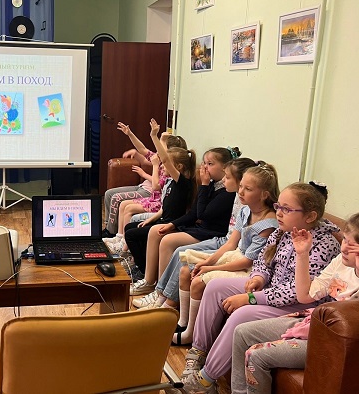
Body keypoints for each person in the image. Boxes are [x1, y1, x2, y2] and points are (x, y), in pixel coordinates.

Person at [181, 182, 341, 394]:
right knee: (215, 286)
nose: (279, 213)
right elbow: (263, 262)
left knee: (242, 315)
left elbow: (297, 292)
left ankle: (205, 381)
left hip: (298, 306)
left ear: (310, 216)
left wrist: (251, 298)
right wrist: (258, 277)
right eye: (278, 206)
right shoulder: (282, 231)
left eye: (286, 209)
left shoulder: (325, 245)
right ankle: (198, 351)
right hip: (272, 290)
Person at [230, 212, 359, 394]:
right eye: (344, 240)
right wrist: (302, 254)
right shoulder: (340, 262)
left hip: (331, 343)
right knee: (242, 333)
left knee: (256, 355)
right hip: (313, 323)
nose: (344, 248)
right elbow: (305, 296)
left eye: (353, 246)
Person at [172, 163, 279, 345]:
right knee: (185, 271)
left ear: (264, 195)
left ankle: (191, 333)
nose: (241, 192)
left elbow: (247, 261)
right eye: (241, 186)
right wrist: (208, 262)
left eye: (248, 189)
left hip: (249, 269)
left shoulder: (268, 224)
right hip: (235, 256)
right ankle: (183, 323)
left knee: (197, 281)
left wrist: (211, 268)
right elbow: (230, 244)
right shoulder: (245, 210)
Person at [132, 158, 257, 310]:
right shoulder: (233, 196)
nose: (224, 179)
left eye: (227, 176)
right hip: (215, 236)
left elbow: (203, 215)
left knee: (177, 250)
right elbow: (195, 213)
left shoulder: (229, 195)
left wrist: (204, 185)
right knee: (173, 247)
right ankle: (158, 292)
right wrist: (173, 224)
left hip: (215, 236)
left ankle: (165, 302)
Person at [116, 122, 196, 279]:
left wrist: (154, 136)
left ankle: (143, 270)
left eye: (166, 165)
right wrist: (150, 220)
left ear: (179, 167)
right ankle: (141, 265)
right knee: (131, 227)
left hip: (171, 224)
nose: (163, 167)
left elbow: (164, 161)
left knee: (132, 234)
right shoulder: (172, 181)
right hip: (162, 218)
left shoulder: (182, 182)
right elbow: (164, 208)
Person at [103, 122, 187, 237]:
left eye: (161, 146)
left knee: (121, 202)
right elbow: (142, 149)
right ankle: (115, 233)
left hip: (155, 199)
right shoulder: (161, 160)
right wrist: (130, 134)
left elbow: (156, 186)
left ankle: (115, 235)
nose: (158, 149)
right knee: (112, 196)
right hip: (150, 195)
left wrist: (147, 171)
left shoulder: (170, 170)